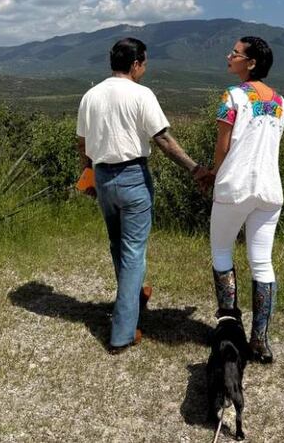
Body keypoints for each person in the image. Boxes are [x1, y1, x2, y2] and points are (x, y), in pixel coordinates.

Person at [77, 37, 207, 353]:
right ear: (136, 64)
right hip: (133, 177)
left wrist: (88, 175)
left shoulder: (91, 95)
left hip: (104, 176)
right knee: (133, 251)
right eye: (145, 63)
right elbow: (162, 140)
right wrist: (195, 169)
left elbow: (82, 143)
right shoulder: (141, 94)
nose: (145, 68)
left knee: (117, 244)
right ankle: (121, 332)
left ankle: (135, 296)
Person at [206, 36, 284, 364]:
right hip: (269, 189)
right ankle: (260, 341)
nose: (229, 56)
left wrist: (212, 174)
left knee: (222, 253)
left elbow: (223, 146)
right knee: (262, 262)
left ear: (251, 62)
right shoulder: (282, 103)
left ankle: (229, 329)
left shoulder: (232, 97)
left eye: (235, 53)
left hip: (234, 186)